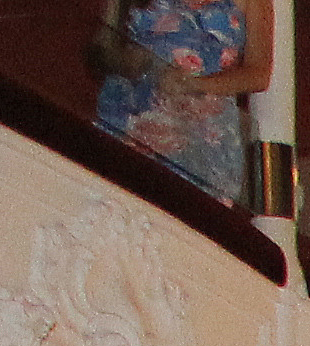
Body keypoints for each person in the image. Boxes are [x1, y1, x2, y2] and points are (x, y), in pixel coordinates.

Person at [94, 0, 272, 201]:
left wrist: (196, 85)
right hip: (134, 112)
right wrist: (146, 63)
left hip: (203, 128)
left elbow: (258, 74)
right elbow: (104, 50)